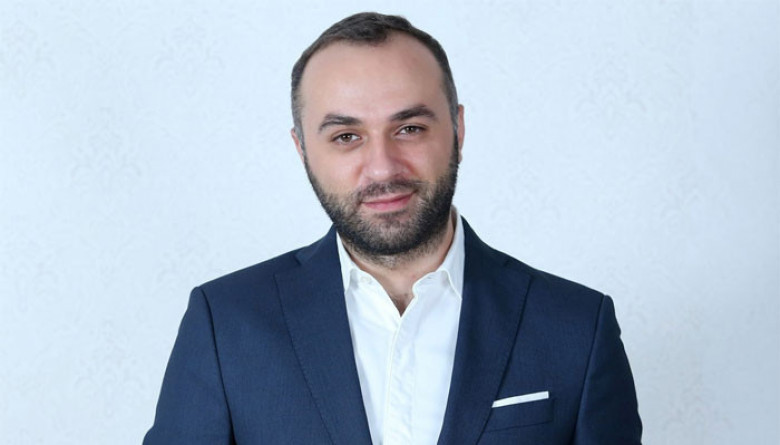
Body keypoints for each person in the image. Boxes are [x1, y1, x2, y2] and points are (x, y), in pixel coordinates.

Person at [144, 12, 642, 445]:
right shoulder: (225, 324)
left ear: (458, 130)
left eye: (409, 129)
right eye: (346, 136)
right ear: (303, 150)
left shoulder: (578, 328)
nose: (382, 167)